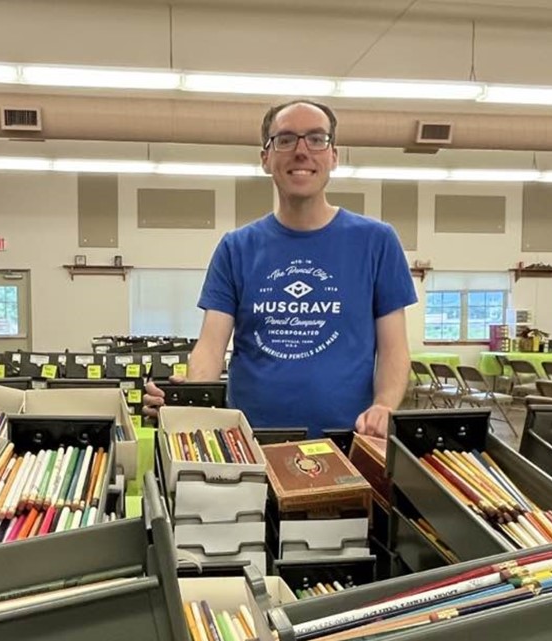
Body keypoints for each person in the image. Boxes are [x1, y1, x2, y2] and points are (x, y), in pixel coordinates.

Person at [144, 100, 417, 438]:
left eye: (317, 139)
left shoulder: (377, 242)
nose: (302, 151)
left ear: (334, 155)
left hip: (349, 441)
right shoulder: (236, 248)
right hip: (249, 441)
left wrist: (385, 406)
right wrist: (189, 399)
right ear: (265, 158)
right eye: (285, 139)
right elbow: (211, 346)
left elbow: (394, 348)